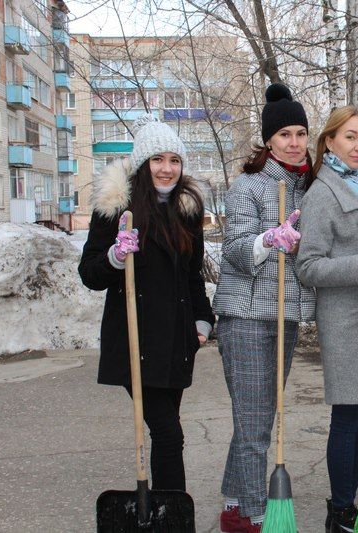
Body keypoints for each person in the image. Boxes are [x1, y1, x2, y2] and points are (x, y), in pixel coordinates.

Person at [78, 114, 214, 492]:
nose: (167, 169)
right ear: (142, 164)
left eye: (174, 160)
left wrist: (202, 322)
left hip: (175, 342)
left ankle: (160, 510)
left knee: (166, 432)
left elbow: (192, 276)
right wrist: (115, 257)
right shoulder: (116, 209)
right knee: (169, 434)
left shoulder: (186, 212)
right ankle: (173, 516)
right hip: (135, 342)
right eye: (158, 160)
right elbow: (89, 273)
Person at [212, 83, 316, 533]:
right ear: (268, 140)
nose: (293, 143)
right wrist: (267, 240)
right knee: (256, 424)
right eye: (284, 135)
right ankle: (256, 515)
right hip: (247, 317)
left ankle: (235, 502)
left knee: (256, 417)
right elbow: (233, 251)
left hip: (285, 316)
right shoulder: (248, 186)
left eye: (300, 133)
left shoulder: (309, 188)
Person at [296, 106, 358, 533]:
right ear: (330, 140)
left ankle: (345, 497)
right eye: (350, 137)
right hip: (345, 319)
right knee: (352, 416)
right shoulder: (321, 193)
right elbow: (308, 266)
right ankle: (339, 510)